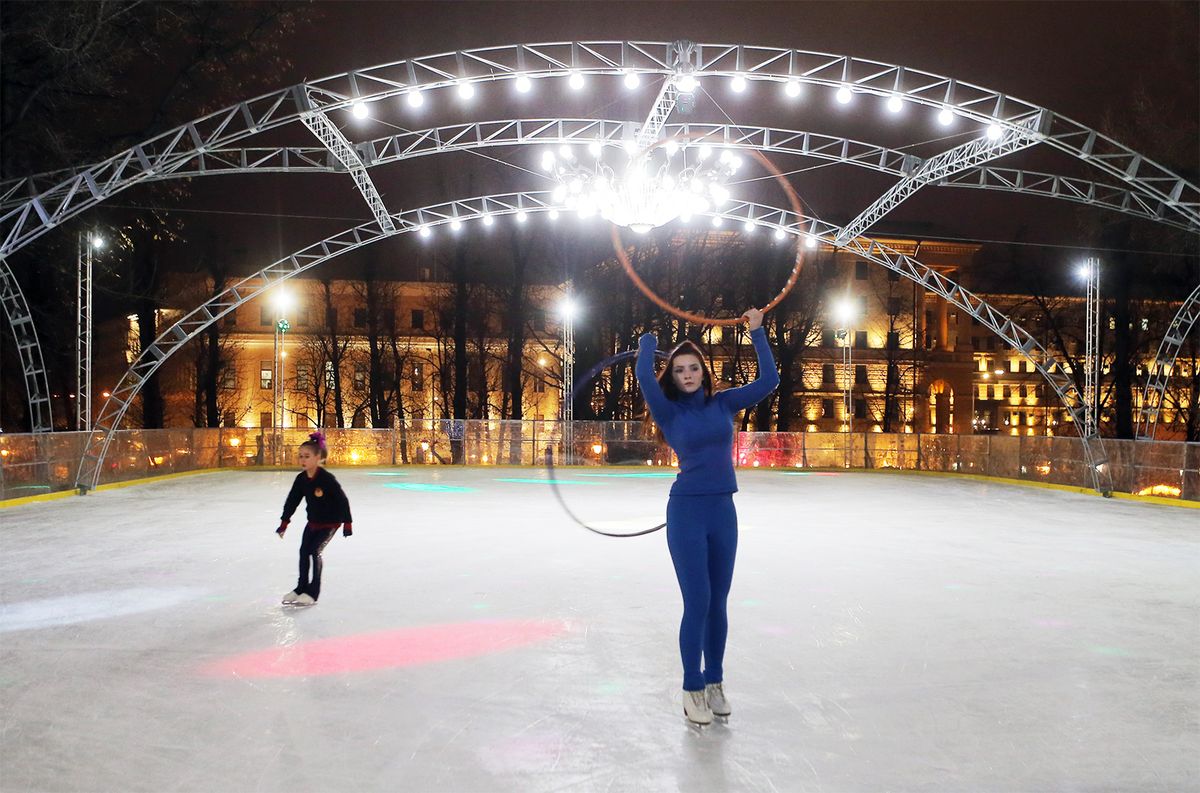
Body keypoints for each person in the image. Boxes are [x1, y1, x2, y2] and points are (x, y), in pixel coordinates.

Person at [636, 308, 779, 725]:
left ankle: (715, 682)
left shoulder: (723, 404)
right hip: (686, 512)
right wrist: (646, 344)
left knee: (718, 602)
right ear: (673, 376)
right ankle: (692, 687)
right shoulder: (669, 412)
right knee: (696, 601)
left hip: (723, 511)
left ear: (703, 370)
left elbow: (769, 381)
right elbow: (646, 378)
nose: (687, 374)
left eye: (693, 367)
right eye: (679, 369)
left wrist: (757, 331)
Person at [276, 431, 353, 605]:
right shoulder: (301, 479)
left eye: (307, 456)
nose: (303, 460)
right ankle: (300, 588)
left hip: (331, 523)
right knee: (304, 551)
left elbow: (342, 500)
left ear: (318, 457)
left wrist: (347, 523)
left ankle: (313, 592)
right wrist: (284, 523)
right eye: (300, 456)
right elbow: (292, 501)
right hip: (313, 522)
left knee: (314, 551)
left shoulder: (326, 479)